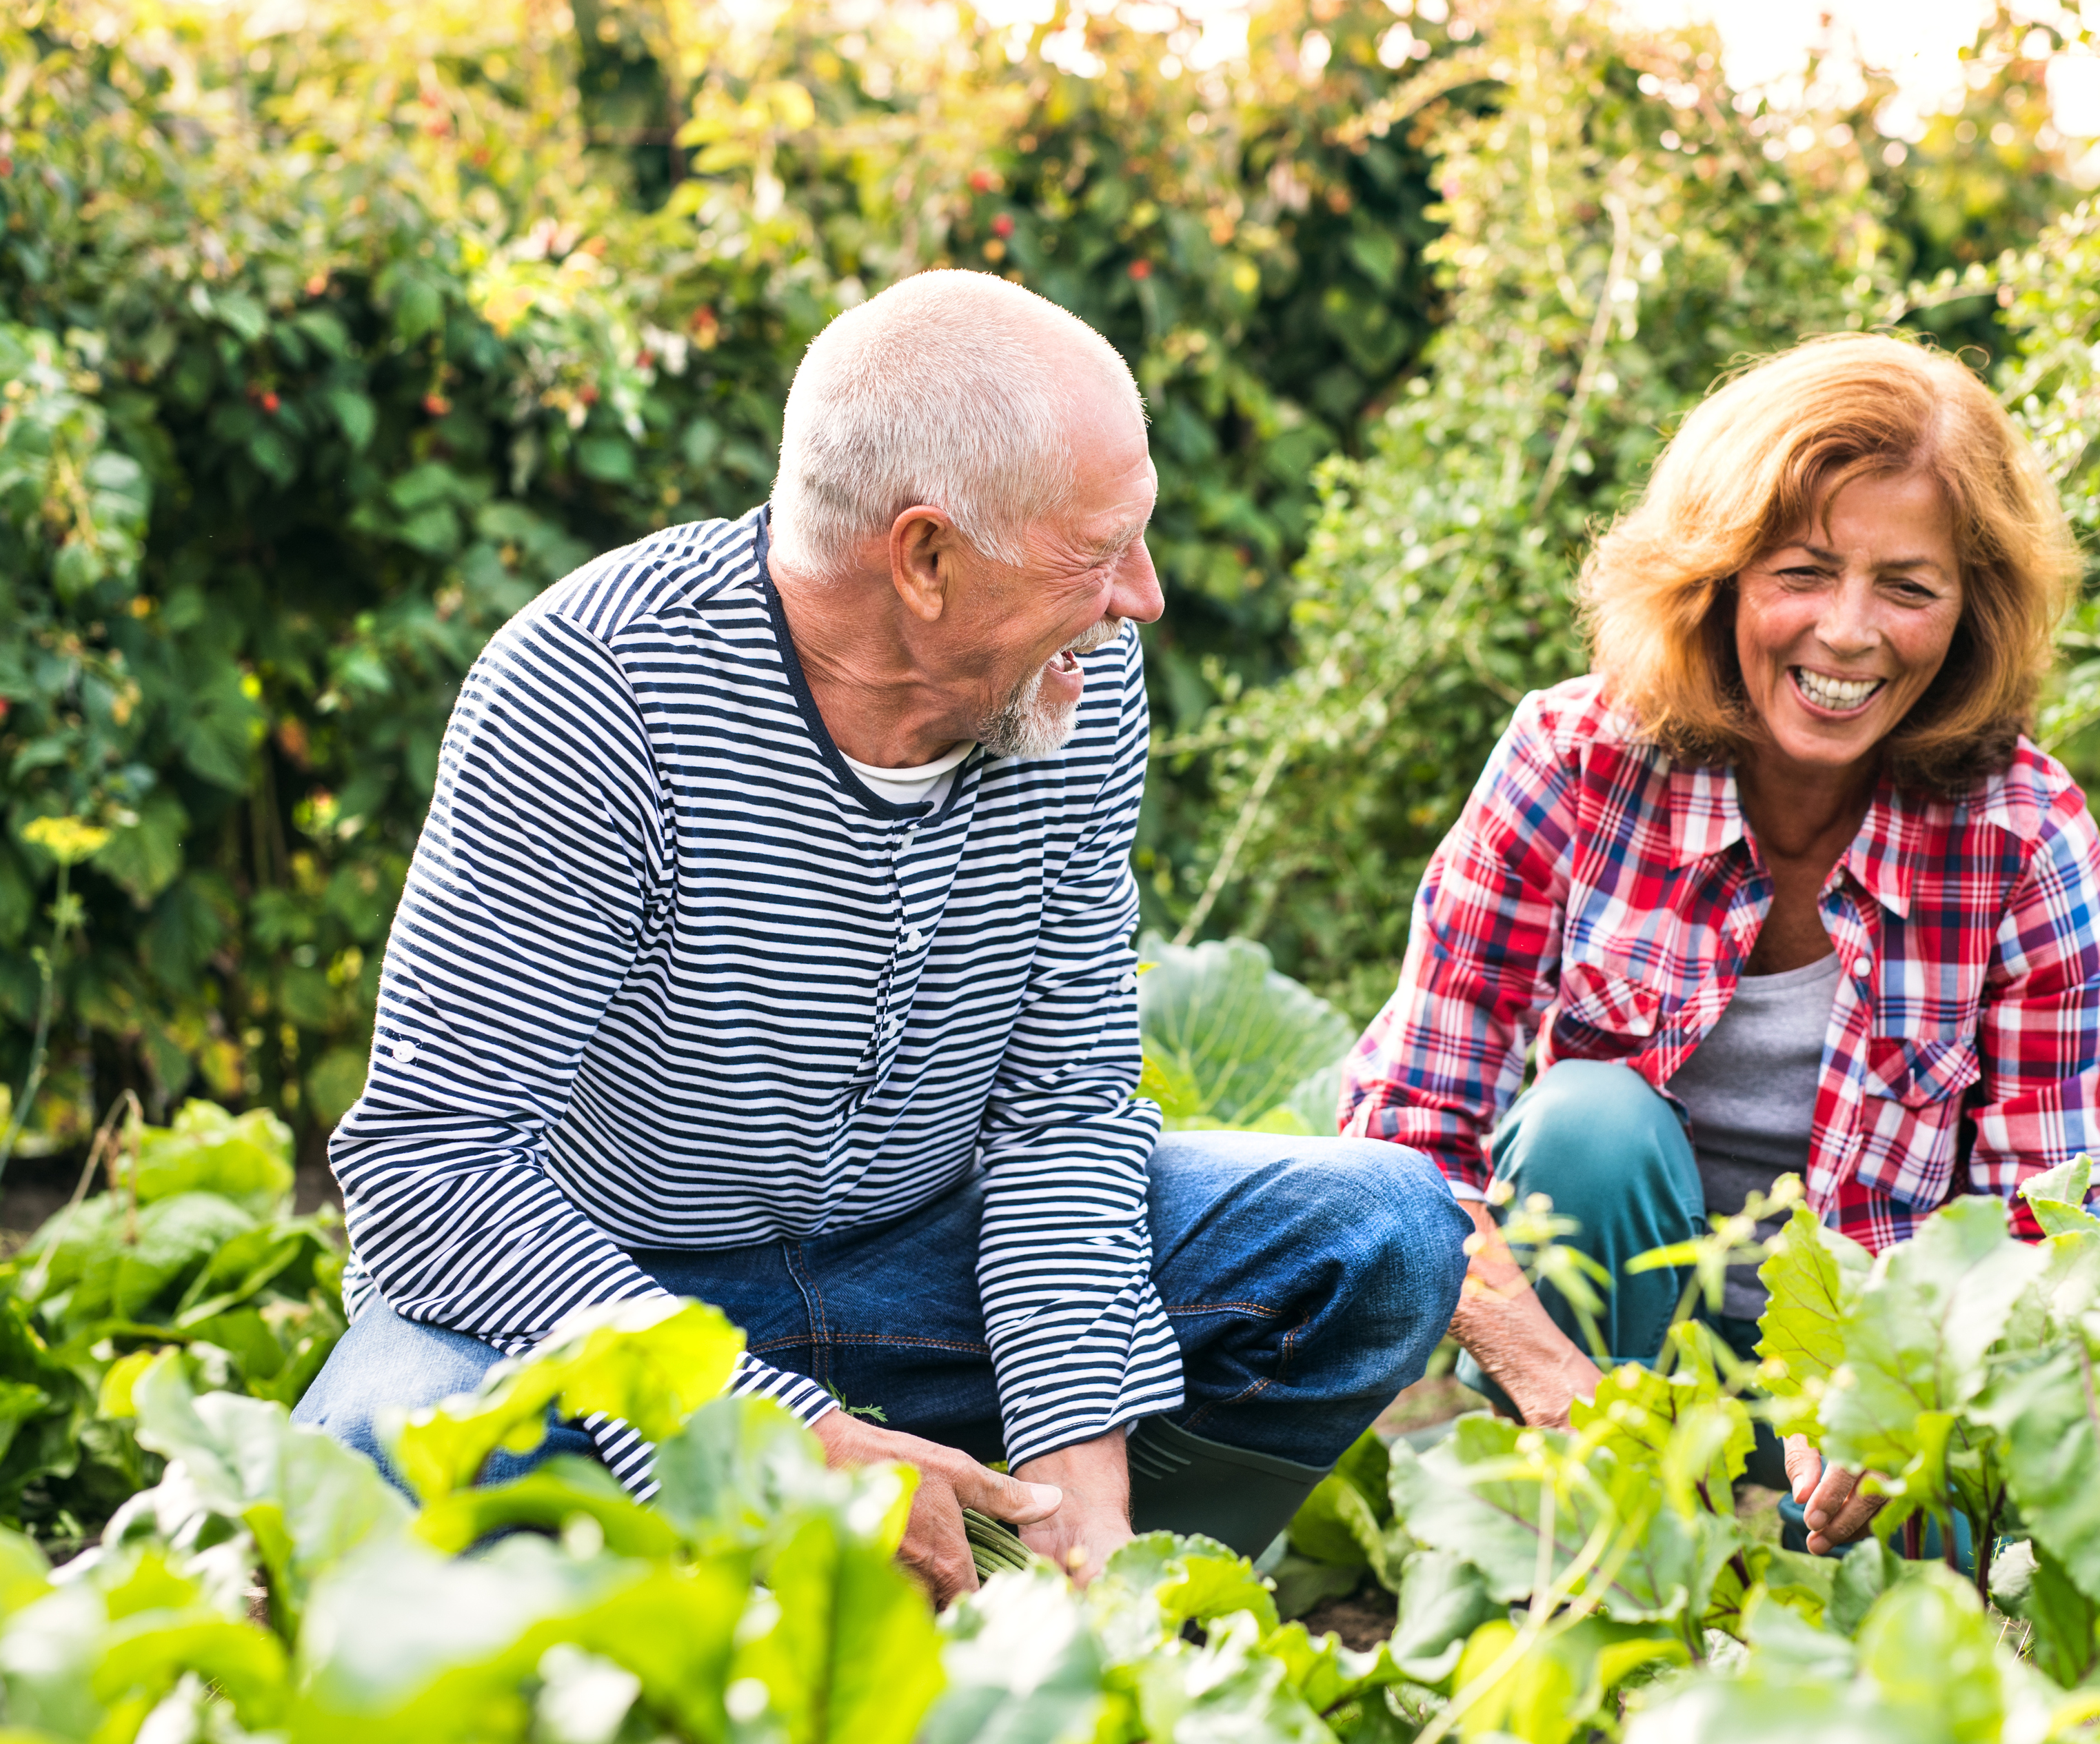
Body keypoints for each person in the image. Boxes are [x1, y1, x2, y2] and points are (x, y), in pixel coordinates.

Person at [292, 270, 1465, 1603]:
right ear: (924, 558)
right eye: (1100, 550)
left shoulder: (1065, 680)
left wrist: (1086, 1497)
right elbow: (431, 1170)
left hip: (925, 1270)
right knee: (378, 1464)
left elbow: (1063, 1117)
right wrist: (780, 1430)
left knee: (1384, 1238)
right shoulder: (598, 690)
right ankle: (754, 1576)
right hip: (621, 1295)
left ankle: (1027, 1587)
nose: (1140, 596)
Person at [1340, 333, 2100, 1555]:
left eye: (1909, 588)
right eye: (1804, 571)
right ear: (1718, 572)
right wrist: (1558, 1388)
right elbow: (1404, 1135)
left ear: (1972, 612)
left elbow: (2054, 1222)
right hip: (1606, 1365)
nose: (1850, 633)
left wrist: (1899, 1398)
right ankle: (1589, 1563)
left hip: (1874, 1400)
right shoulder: (1576, 761)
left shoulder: (2023, 837)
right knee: (1589, 1121)